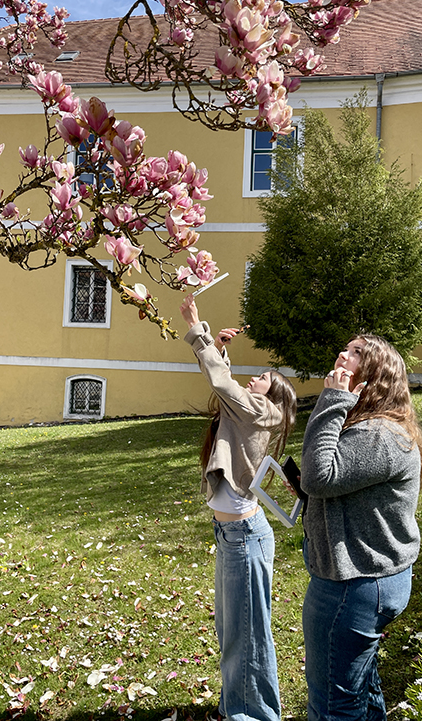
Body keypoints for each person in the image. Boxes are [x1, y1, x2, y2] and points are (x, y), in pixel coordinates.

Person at [300, 334, 422, 721]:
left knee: (332, 704)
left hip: (354, 585)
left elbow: (320, 475)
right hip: (366, 579)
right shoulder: (376, 428)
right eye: (346, 347)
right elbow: (328, 481)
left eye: (356, 352)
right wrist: (309, 487)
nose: (343, 353)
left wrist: (333, 400)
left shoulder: (379, 433)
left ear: (376, 376)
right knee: (360, 689)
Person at [180, 293, 297, 721]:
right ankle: (237, 708)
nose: (256, 379)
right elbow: (223, 382)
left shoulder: (263, 410)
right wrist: (218, 346)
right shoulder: (253, 411)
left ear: (275, 391)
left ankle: (253, 716)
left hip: (243, 536)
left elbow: (222, 384)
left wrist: (197, 328)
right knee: (234, 632)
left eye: (264, 376)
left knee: (246, 636)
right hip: (235, 535)